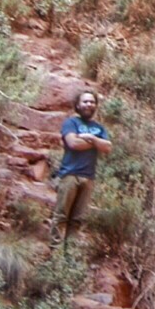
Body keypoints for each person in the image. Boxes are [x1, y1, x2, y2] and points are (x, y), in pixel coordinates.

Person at [49, 89, 112, 247]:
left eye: (92, 102)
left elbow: (108, 147)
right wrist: (96, 142)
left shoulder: (99, 128)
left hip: (88, 177)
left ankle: (70, 258)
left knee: (77, 220)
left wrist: (90, 138)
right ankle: (54, 254)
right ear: (78, 104)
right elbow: (73, 143)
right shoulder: (71, 123)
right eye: (85, 101)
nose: (89, 104)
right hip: (70, 175)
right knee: (61, 216)